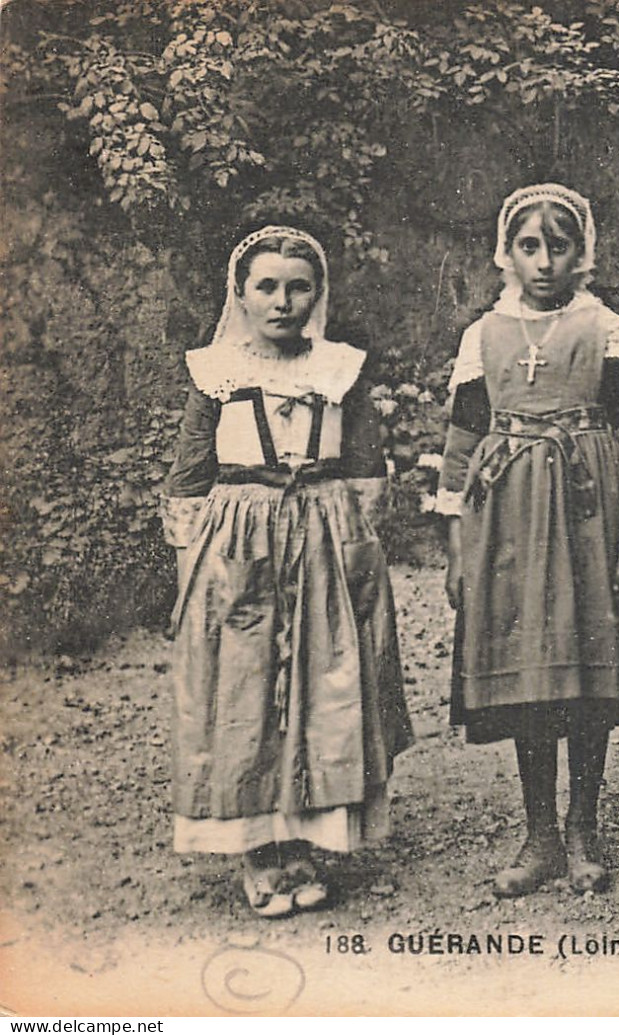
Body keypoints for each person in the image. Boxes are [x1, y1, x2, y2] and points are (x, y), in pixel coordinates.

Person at [162, 225, 413, 918]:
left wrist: (360, 546)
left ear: (317, 293)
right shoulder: (216, 373)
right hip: (239, 540)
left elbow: (365, 465)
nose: (282, 301)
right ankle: (255, 847)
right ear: (239, 295)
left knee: (320, 681)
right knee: (244, 688)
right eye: (266, 287)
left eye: (297, 286)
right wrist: (193, 564)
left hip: (324, 533)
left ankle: (302, 835)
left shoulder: (338, 371)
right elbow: (188, 473)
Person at [433, 184, 619, 898]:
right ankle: (538, 834)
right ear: (506, 252)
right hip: (506, 518)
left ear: (581, 253)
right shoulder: (485, 335)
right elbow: (461, 443)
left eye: (557, 246)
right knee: (530, 672)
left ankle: (583, 825)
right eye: (528, 246)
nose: (542, 262)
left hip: (588, 511)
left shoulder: (606, 330)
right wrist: (454, 546)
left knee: (588, 672)